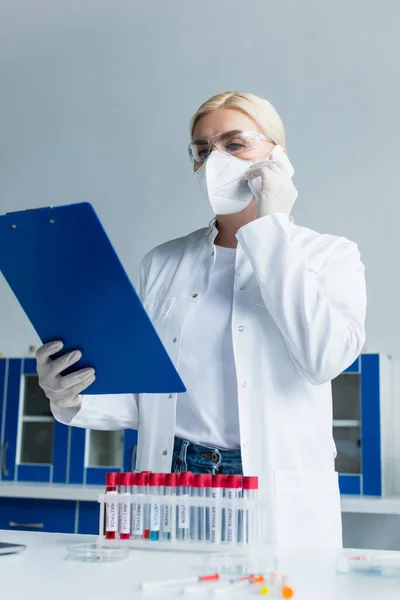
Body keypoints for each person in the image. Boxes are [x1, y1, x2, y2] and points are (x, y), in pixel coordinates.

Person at [36, 91, 367, 548]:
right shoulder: (163, 262)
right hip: (171, 476)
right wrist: (70, 397)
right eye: (203, 150)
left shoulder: (329, 255)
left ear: (279, 158)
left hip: (266, 486)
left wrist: (270, 229)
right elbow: (147, 396)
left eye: (235, 144)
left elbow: (322, 359)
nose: (217, 161)